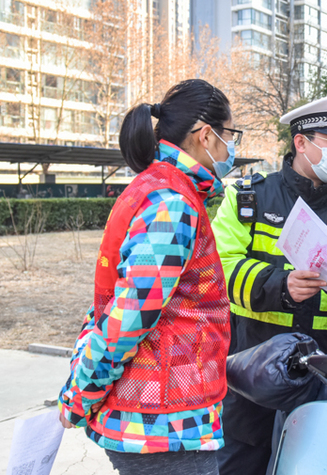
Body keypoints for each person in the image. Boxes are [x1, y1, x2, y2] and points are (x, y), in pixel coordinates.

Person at [58, 79, 236, 475]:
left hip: (157, 418)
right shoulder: (172, 204)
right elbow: (127, 318)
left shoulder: (161, 191)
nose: (230, 148)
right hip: (164, 424)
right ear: (206, 135)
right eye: (230, 135)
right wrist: (78, 397)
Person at [211, 93, 327, 474]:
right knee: (242, 464)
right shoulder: (248, 197)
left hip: (323, 371)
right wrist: (280, 284)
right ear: (301, 143)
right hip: (252, 367)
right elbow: (217, 268)